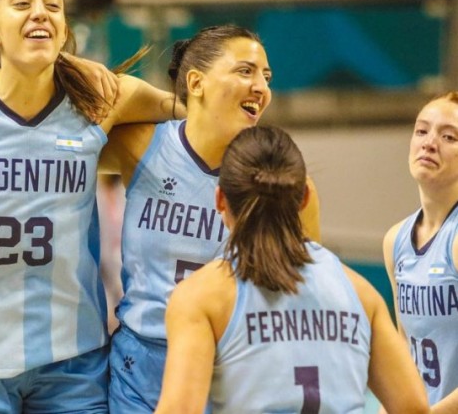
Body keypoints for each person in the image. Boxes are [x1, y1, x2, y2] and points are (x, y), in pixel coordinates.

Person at [0, 0, 177, 413]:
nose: (40, 13)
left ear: (63, 31)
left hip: (74, 356)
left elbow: (195, 113)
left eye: (53, 6)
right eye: (22, 3)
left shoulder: (100, 99)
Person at [98, 24, 320, 412]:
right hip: (138, 363)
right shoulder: (143, 144)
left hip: (230, 369)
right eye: (246, 71)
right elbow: (70, 127)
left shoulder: (281, 183)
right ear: (196, 82)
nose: (261, 87)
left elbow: (308, 300)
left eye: (267, 77)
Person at [154, 126, 428, 414]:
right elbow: (414, 408)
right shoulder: (360, 292)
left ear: (220, 200)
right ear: (305, 198)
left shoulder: (201, 296)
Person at [384, 92, 458, 412]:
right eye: (421, 130)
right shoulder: (395, 241)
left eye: (449, 136)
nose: (429, 143)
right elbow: (404, 355)